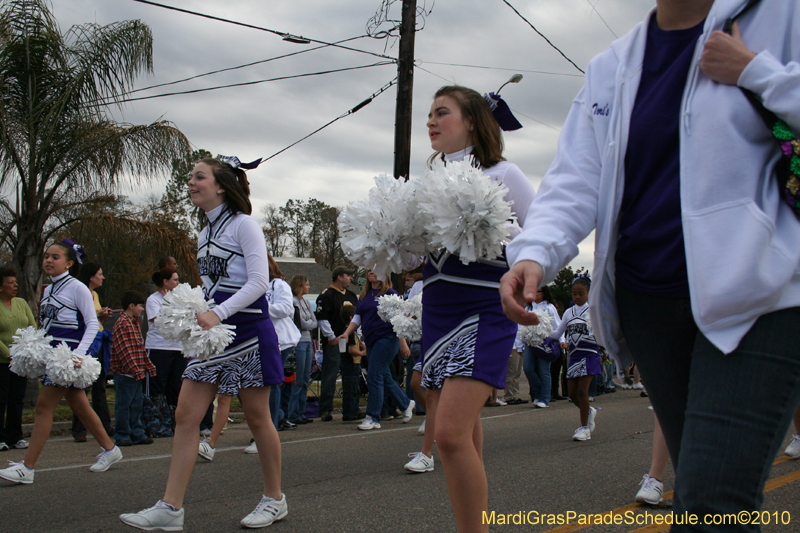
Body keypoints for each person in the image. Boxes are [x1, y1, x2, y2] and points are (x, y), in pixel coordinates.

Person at [499, 0, 800, 528]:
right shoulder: (612, 65)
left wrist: (756, 71)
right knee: (706, 493)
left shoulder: (779, 14)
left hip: (762, 294)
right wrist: (535, 254)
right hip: (650, 304)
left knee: (713, 499)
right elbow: (575, 178)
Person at [120, 155, 286, 529]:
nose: (191, 183)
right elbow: (211, 289)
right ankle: (171, 507)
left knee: (259, 418)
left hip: (248, 330)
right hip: (215, 334)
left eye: (199, 177)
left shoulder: (245, 226)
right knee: (185, 415)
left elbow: (259, 282)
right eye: (191, 178)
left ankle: (275, 499)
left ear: (222, 185)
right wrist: (198, 315)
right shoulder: (203, 233)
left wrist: (217, 313)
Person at [418, 85, 536, 531]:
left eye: (441, 112)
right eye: (429, 113)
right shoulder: (429, 181)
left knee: (446, 436)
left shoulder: (505, 174)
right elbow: (421, 255)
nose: (431, 120)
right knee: (461, 433)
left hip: (485, 307)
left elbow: (540, 230)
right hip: (438, 309)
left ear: (471, 121)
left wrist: (522, 269)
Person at [0, 240, 121, 484]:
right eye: (46, 256)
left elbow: (90, 325)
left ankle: (28, 467)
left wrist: (79, 355)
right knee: (80, 406)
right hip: (53, 354)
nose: (48, 260)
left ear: (69, 263)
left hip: (68, 355)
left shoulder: (78, 288)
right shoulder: (48, 290)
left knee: (44, 406)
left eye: (55, 257)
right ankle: (111, 449)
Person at [340, 271, 414, 431]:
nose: (372, 272)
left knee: (374, 375)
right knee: (383, 375)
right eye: (369, 270)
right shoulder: (364, 295)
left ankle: (373, 417)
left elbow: (398, 318)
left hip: (387, 339)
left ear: (384, 273)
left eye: (376, 269)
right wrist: (347, 333)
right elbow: (357, 317)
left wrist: (403, 343)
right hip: (370, 340)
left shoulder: (391, 294)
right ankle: (405, 403)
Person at [549, 276, 601, 441]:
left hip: (590, 354)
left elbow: (601, 332)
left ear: (588, 293)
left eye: (581, 293)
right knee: (572, 394)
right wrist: (539, 332)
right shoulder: (568, 312)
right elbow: (558, 333)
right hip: (574, 355)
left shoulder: (593, 310)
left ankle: (584, 428)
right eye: (574, 293)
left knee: (581, 391)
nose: (577, 297)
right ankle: (589, 411)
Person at [71, 262, 114, 442]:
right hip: (86, 343)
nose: (102, 277)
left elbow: (94, 318)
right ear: (91, 276)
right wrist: (97, 315)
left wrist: (102, 315)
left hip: (98, 339)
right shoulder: (81, 292)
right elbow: (82, 317)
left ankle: (104, 425)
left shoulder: (94, 294)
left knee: (100, 385)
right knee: (82, 386)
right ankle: (79, 429)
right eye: (100, 274)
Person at [110, 291, 155, 447]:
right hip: (125, 373)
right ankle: (122, 434)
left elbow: (139, 348)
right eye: (140, 306)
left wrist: (147, 365)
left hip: (136, 372)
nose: (142, 309)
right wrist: (135, 369)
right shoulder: (123, 323)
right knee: (124, 405)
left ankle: (137, 433)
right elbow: (125, 350)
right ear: (131, 306)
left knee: (136, 404)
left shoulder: (134, 323)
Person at [315, 266, 358, 422]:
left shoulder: (352, 296)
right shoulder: (327, 295)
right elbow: (322, 317)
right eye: (348, 276)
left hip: (351, 342)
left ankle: (351, 409)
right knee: (330, 375)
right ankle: (325, 409)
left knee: (351, 376)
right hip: (334, 342)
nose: (351, 279)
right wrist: (331, 336)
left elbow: (358, 318)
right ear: (340, 277)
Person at [0, 266, 36, 451]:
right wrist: (9, 353)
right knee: (1, 399)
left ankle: (16, 436)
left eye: (16, 282)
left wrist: (28, 351)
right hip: (2, 362)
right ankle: (0, 437)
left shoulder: (21, 303)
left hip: (20, 363)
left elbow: (32, 326)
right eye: (10, 283)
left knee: (17, 399)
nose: (15, 286)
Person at [266, 254, 300, 431]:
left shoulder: (279, 285)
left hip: (280, 340)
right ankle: (277, 417)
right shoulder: (250, 285)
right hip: (258, 340)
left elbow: (286, 308)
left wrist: (261, 308)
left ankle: (269, 429)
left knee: (271, 383)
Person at [145, 267, 184, 410]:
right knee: (157, 385)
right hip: (159, 348)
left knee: (176, 386)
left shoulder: (180, 299)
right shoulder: (153, 300)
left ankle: (174, 421)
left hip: (178, 348)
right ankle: (156, 421)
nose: (178, 283)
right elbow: (159, 321)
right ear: (165, 281)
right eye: (175, 280)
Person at [524, 286, 561, 409]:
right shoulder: (528, 308)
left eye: (538, 291)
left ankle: (545, 398)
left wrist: (562, 340)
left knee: (544, 370)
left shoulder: (550, 308)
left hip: (545, 342)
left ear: (544, 293)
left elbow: (558, 325)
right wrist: (519, 346)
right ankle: (538, 392)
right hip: (530, 342)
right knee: (528, 368)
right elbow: (521, 326)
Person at [288, 274, 318, 425]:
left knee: (306, 379)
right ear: (299, 286)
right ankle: (292, 413)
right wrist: (309, 323)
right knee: (298, 379)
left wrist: (309, 323)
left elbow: (313, 321)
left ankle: (301, 412)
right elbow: (302, 323)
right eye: (306, 284)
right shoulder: (292, 302)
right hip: (299, 342)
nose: (308, 287)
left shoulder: (306, 302)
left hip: (308, 342)